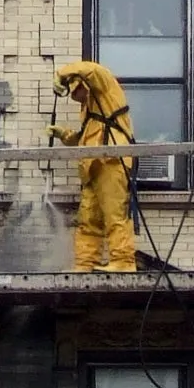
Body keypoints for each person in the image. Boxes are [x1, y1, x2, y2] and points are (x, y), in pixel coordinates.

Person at [46, 61, 137, 273]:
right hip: (93, 165)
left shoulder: (106, 87)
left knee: (114, 213)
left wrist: (60, 74)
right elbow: (86, 139)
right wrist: (65, 135)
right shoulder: (91, 111)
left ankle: (123, 261)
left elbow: (92, 69)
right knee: (88, 219)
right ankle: (85, 264)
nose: (76, 97)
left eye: (76, 91)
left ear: (84, 84)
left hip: (112, 160)